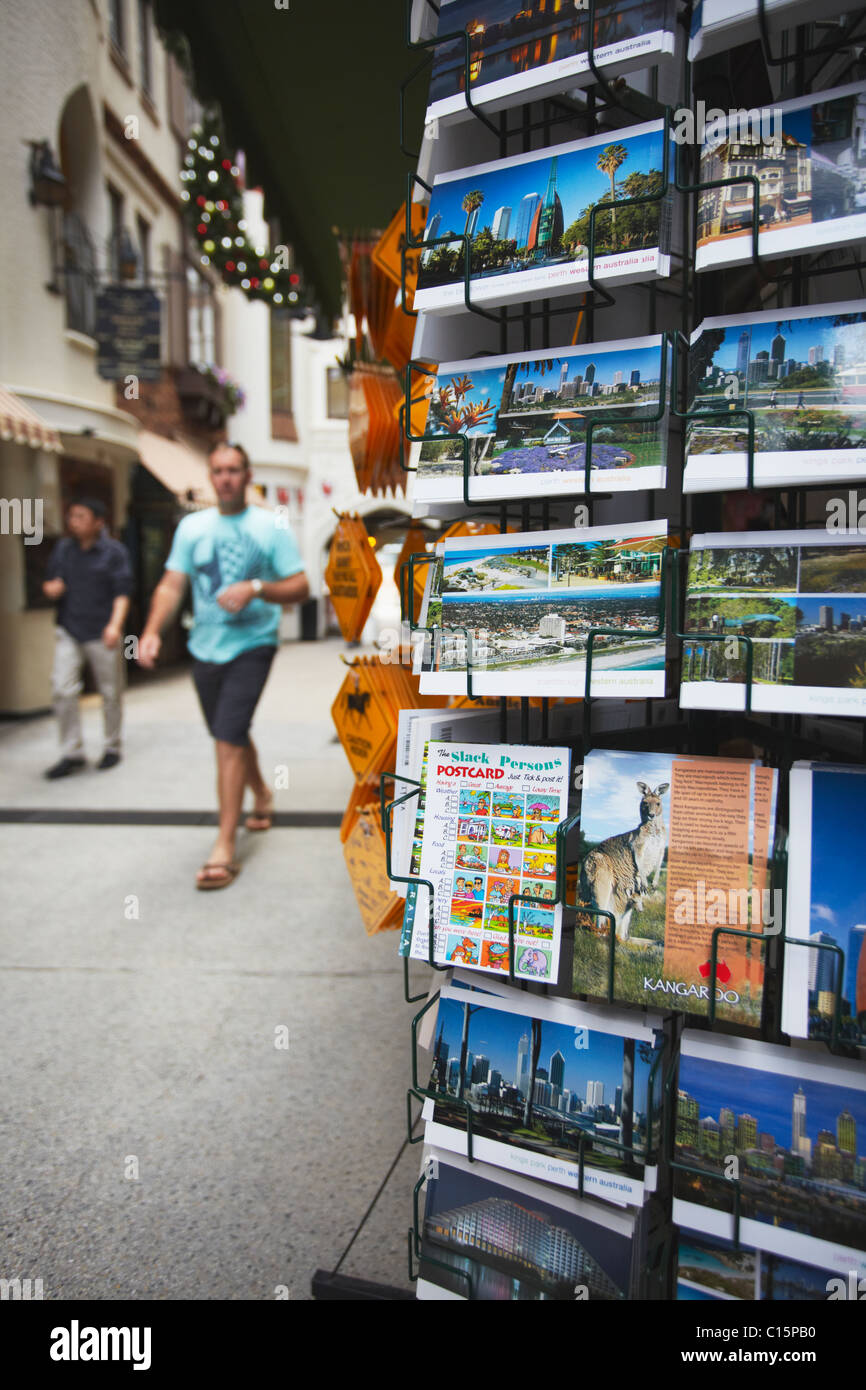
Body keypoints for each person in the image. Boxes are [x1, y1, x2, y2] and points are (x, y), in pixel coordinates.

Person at [137, 442, 309, 890]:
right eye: (218, 470)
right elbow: (172, 585)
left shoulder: (269, 525)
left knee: (227, 736)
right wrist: (153, 629)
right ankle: (264, 794)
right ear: (211, 477)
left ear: (247, 475)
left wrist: (255, 587)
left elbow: (300, 586)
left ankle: (224, 844)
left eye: (234, 469)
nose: (225, 478)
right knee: (228, 731)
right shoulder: (192, 527)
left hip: (252, 644)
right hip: (205, 647)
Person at [42, 498, 132, 778]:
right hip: (69, 628)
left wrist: (115, 626)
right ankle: (72, 752)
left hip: (102, 629)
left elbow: (122, 592)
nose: (73, 521)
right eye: (71, 516)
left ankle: (112, 746)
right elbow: (49, 583)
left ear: (98, 522)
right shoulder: (64, 549)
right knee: (62, 687)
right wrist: (52, 588)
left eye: (81, 516)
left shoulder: (114, 552)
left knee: (110, 692)